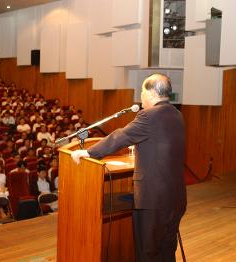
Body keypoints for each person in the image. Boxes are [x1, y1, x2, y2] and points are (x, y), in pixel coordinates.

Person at [71, 74, 186, 262]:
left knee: (147, 252)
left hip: (153, 200)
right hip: (175, 198)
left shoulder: (149, 115)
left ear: (152, 93)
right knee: (166, 250)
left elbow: (121, 136)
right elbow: (163, 144)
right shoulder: (176, 114)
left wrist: (89, 152)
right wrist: (142, 145)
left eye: (141, 91)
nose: (140, 96)